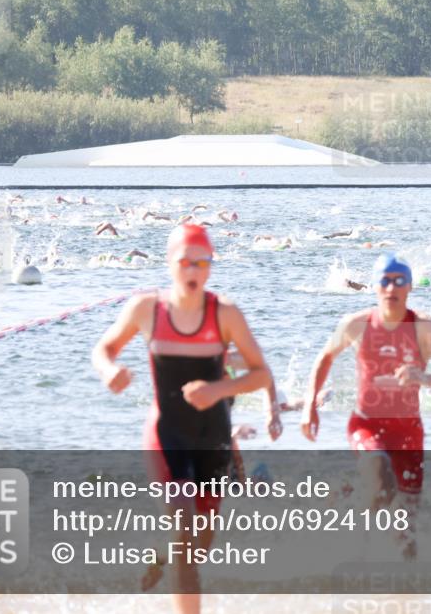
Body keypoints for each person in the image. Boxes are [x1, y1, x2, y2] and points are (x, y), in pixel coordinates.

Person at [92, 223, 273, 614]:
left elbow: (262, 373)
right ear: (170, 264)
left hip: (212, 439)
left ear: (210, 267)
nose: (193, 270)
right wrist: (110, 371)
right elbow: (104, 348)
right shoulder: (146, 309)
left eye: (201, 262)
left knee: (198, 541)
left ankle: (161, 557)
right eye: (185, 262)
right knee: (185, 529)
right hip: (166, 434)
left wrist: (218, 390)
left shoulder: (225, 314)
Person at [302, 253, 431, 560]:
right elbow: (325, 358)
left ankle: (409, 592)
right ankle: (352, 560)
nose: (391, 289)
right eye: (384, 281)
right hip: (367, 424)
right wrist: (309, 405)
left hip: (408, 432)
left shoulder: (424, 328)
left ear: (409, 288)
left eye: (399, 282)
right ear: (375, 287)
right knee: (381, 485)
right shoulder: (356, 324)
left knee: (403, 531)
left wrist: (424, 377)